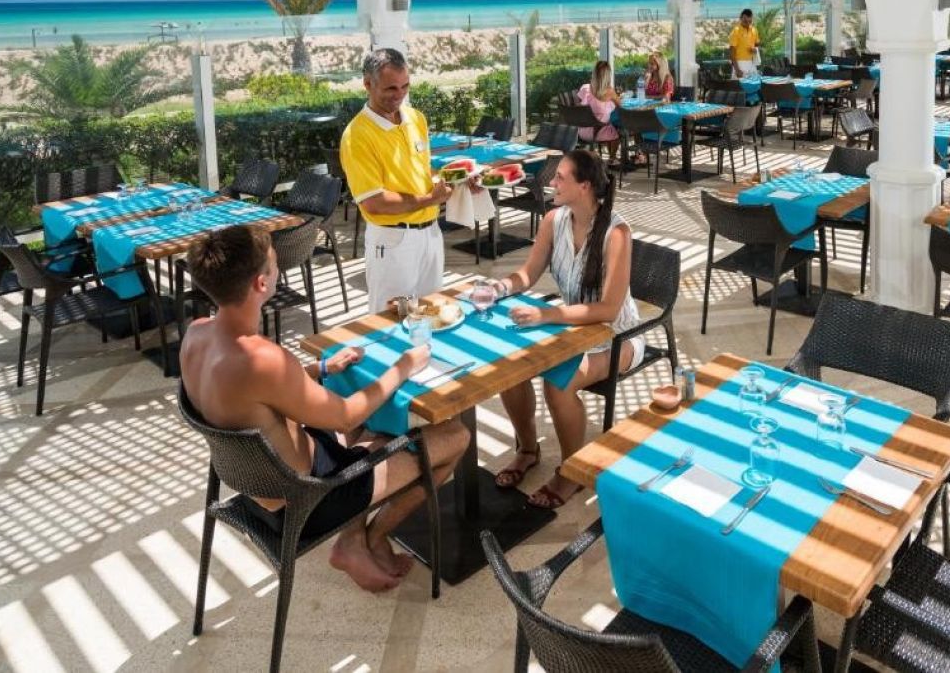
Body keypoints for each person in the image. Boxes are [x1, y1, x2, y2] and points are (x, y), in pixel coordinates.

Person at [179, 224, 469, 593]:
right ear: (261, 283)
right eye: (275, 264)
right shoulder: (264, 359)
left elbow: (251, 393)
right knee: (454, 435)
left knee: (376, 423)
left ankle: (356, 540)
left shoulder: (197, 333)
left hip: (259, 484)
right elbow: (346, 417)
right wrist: (403, 367)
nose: (279, 270)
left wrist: (321, 368)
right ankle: (368, 538)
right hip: (310, 499)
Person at [490, 149, 643, 509]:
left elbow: (609, 309)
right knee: (509, 369)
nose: (552, 182)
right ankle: (527, 450)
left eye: (560, 177)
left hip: (617, 337)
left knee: (558, 384)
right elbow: (528, 273)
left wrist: (547, 316)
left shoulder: (616, 233)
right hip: (571, 329)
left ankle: (572, 471)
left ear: (584, 186)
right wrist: (499, 287)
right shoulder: (553, 220)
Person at [340, 48, 450, 314]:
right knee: (389, 321)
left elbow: (423, 171)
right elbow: (374, 202)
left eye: (405, 86)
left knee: (432, 312)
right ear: (368, 84)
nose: (399, 94)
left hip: (431, 234)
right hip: (393, 241)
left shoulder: (416, 118)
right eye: (391, 88)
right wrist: (430, 199)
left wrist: (455, 184)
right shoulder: (357, 136)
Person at [576, 59, 623, 161]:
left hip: (582, 131)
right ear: (607, 76)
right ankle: (612, 159)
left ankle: (610, 159)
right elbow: (621, 106)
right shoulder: (609, 91)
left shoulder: (585, 88)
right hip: (597, 132)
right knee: (616, 131)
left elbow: (578, 107)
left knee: (610, 127)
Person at [728, 8, 760, 79]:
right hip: (739, 64)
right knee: (738, 86)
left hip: (752, 64)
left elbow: (757, 45)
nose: (748, 23)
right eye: (745, 21)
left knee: (754, 85)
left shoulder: (754, 30)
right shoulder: (736, 31)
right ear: (741, 18)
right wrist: (737, 70)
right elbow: (732, 51)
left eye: (750, 21)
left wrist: (755, 49)